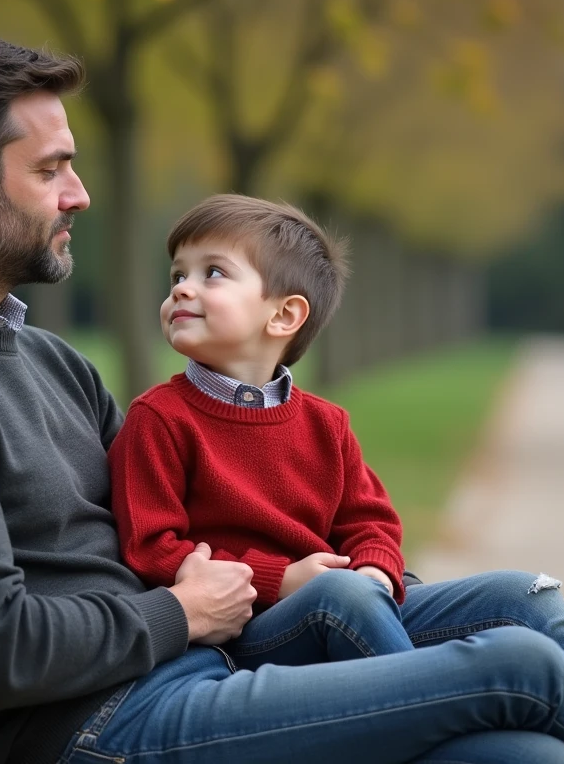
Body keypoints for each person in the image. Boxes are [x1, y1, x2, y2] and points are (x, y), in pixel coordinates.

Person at [0, 19, 564, 764]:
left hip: (196, 666)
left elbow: (169, 523)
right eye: (50, 169)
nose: (78, 194)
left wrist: (329, 583)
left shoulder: (44, 360)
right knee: (522, 677)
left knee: (522, 625)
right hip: (97, 728)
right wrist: (179, 611)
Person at [110, 194, 416, 670]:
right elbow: (150, 549)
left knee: (518, 596)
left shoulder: (326, 424)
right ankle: (429, 708)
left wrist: (374, 571)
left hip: (347, 601)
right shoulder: (158, 418)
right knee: (344, 597)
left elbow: (370, 522)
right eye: (177, 275)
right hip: (242, 633)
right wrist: (280, 579)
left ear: (283, 316)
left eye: (212, 272)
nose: (182, 290)